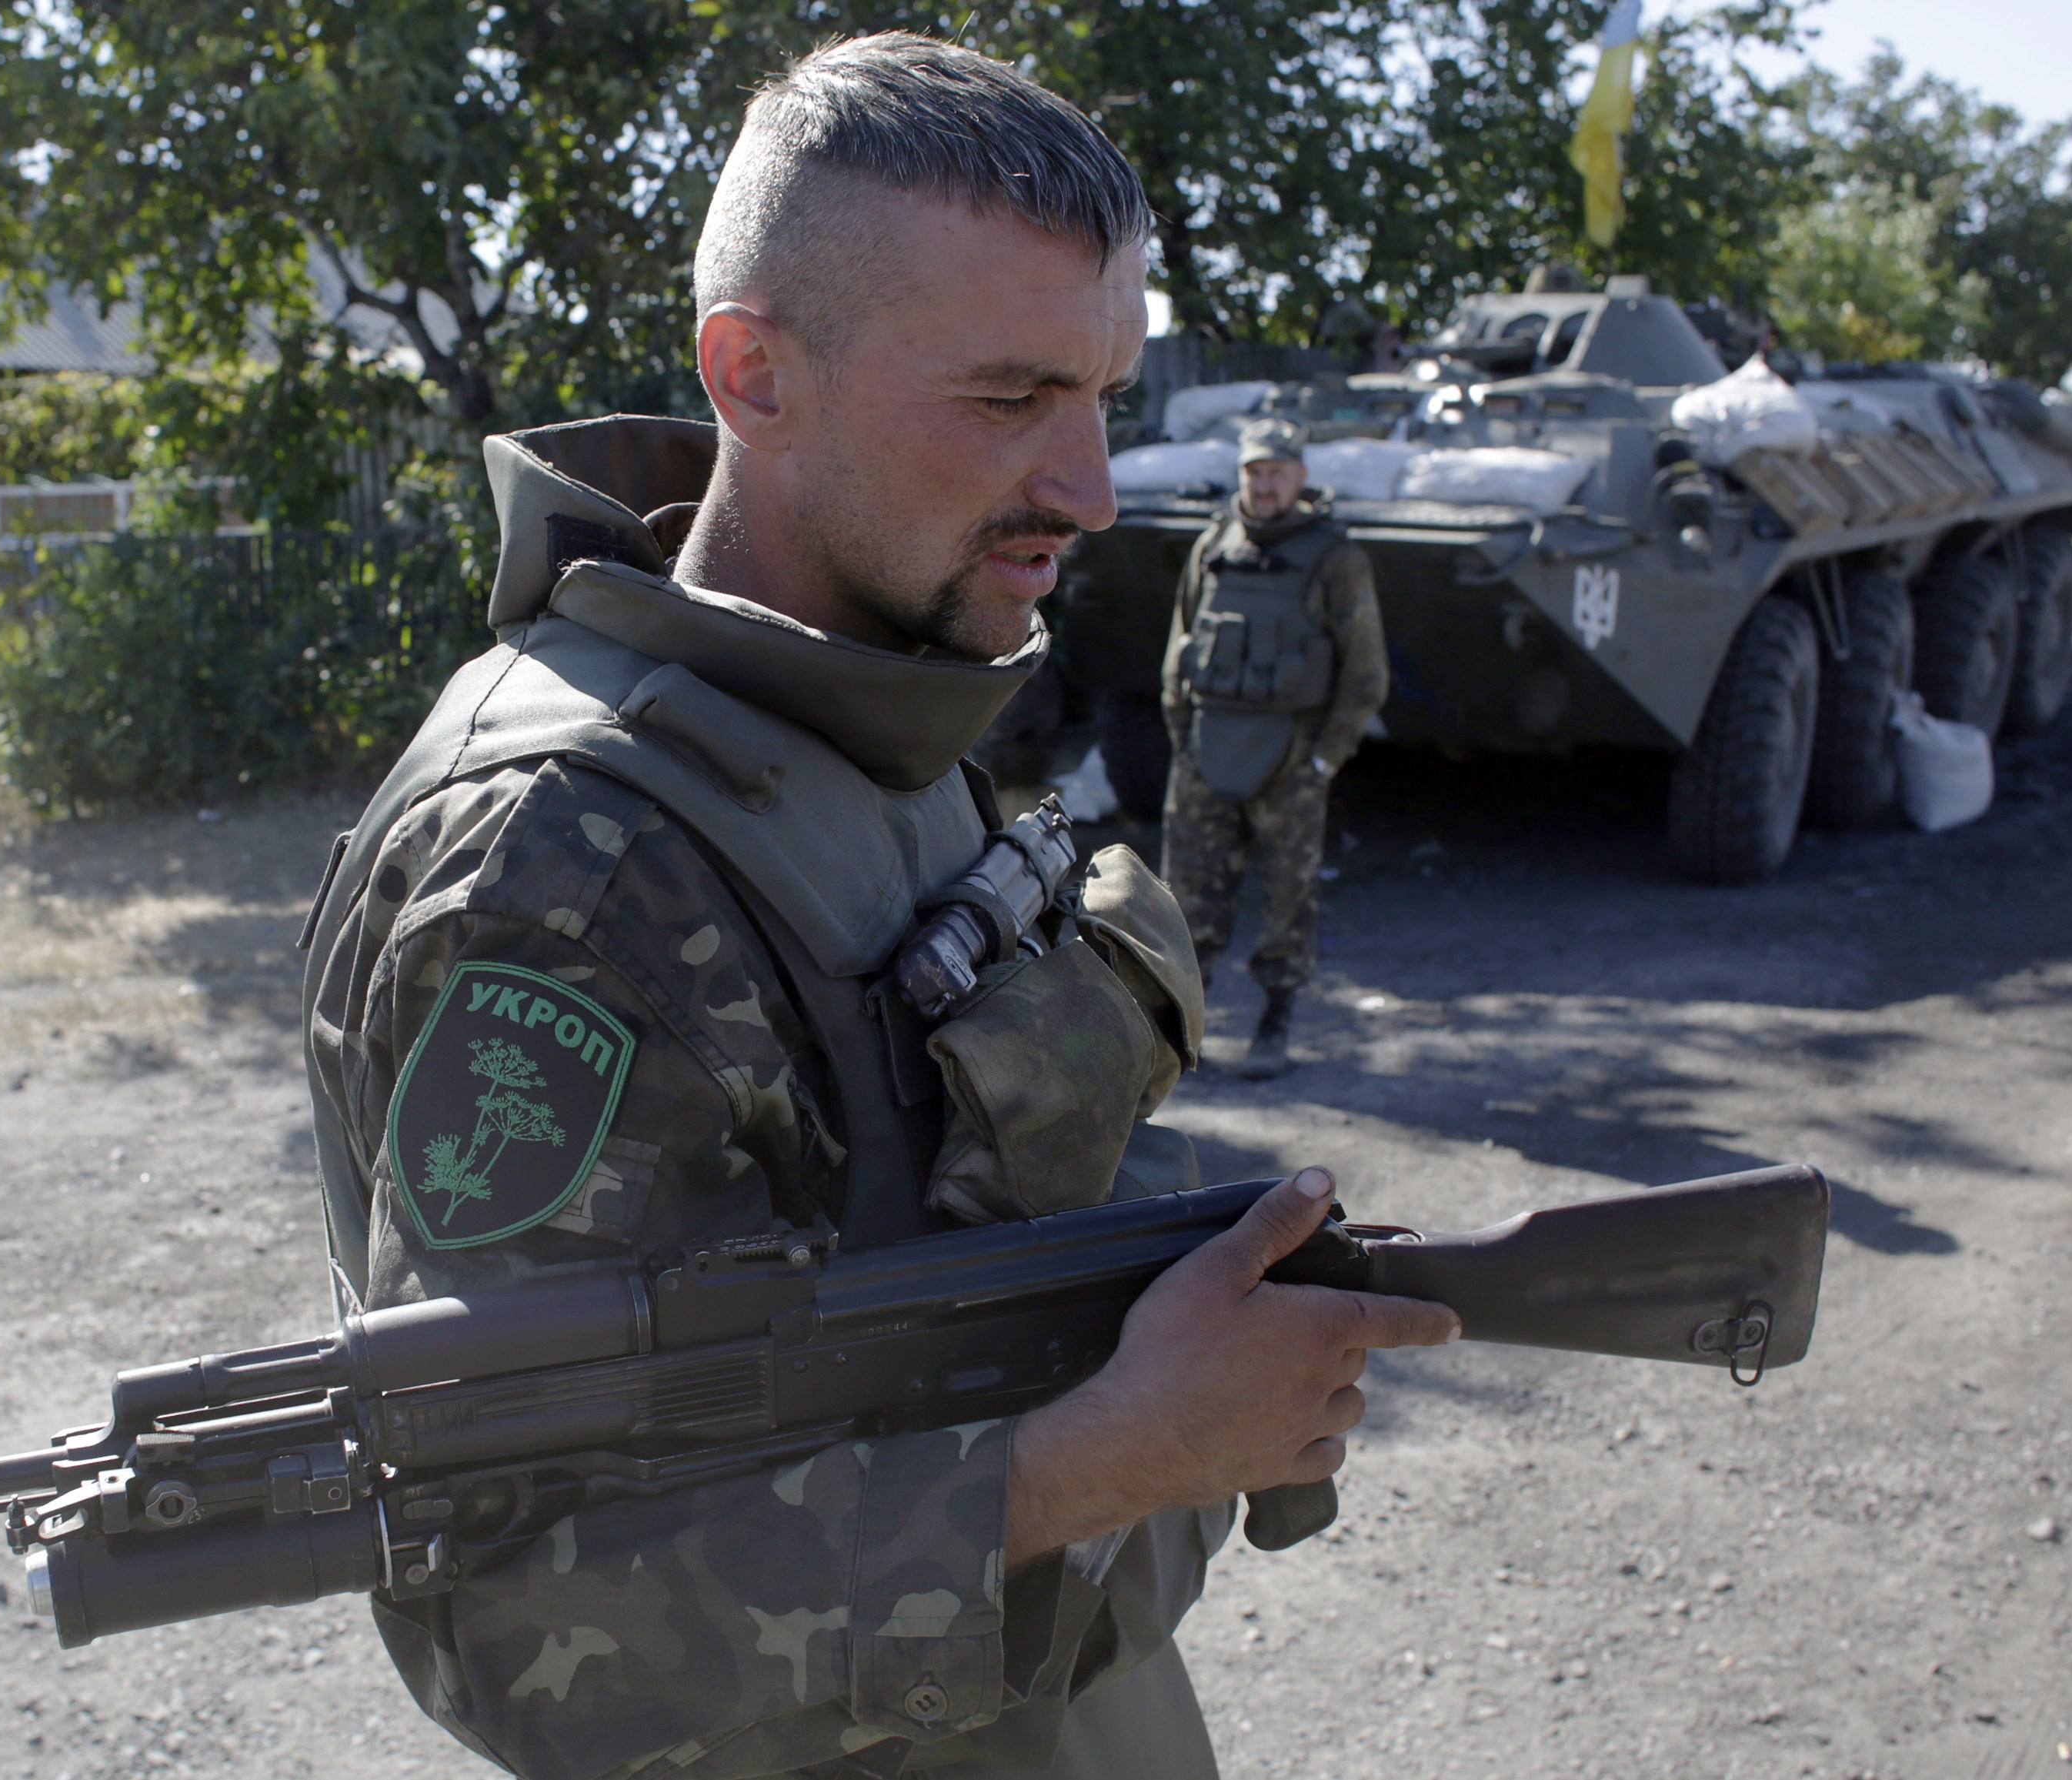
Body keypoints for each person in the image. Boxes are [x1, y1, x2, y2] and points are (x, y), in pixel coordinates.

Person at [301, 35, 1456, 1780]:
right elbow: (514, 1619)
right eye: (1007, 400)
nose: (1085, 485)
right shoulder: (568, 860)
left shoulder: (865, 687)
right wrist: (1104, 1461)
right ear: (755, 375)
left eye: (1103, 397)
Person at [1158, 418, 1389, 1081]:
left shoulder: (1334, 558)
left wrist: (1323, 759)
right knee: (1185, 903)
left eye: (1277, 472)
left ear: (1301, 478)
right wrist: (1182, 735)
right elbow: (1180, 648)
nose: (1264, 485)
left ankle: (1276, 1016)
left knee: (1288, 898)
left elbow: (1365, 674)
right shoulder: (1213, 546)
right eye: (1254, 471)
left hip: (1290, 759)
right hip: (1207, 750)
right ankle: (1175, 1035)